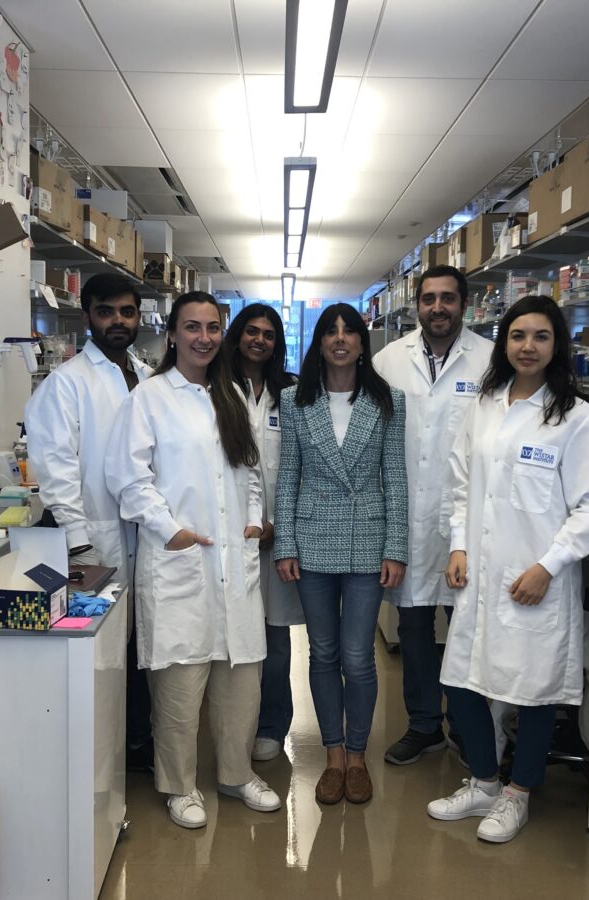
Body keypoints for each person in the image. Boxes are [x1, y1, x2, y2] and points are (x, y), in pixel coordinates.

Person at [427, 295, 589, 843]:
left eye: (540, 336)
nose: (527, 346)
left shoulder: (576, 418)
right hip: (479, 572)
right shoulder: (485, 403)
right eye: (517, 336)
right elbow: (462, 484)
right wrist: (459, 547)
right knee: (462, 679)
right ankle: (484, 781)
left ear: (556, 345)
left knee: (535, 690)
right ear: (503, 343)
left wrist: (549, 565)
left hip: (533, 578)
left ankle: (518, 794)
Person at [104, 291, 279, 830]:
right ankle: (179, 785)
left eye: (211, 327)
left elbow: (250, 472)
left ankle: (234, 773)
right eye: (192, 327)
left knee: (240, 680)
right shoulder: (149, 399)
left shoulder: (230, 395)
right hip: (181, 558)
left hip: (235, 561)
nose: (203, 337)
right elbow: (128, 480)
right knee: (179, 686)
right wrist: (171, 531)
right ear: (173, 334)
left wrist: (254, 520)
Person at [274, 303, 409, 806]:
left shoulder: (387, 400)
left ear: (360, 341)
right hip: (311, 541)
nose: (339, 339)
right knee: (323, 654)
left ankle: (357, 755)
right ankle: (332, 756)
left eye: (348, 331)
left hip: (367, 542)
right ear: (319, 342)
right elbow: (289, 476)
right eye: (330, 331)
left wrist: (396, 547)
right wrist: (285, 542)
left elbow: (394, 478)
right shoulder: (295, 400)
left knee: (359, 658)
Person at [23, 272, 154, 771]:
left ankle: (138, 745)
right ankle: (101, 767)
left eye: (126, 312)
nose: (118, 322)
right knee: (101, 655)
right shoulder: (67, 383)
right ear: (88, 317)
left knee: (141, 649)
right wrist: (80, 545)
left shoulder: (143, 374)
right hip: (94, 541)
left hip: (144, 537)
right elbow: (57, 471)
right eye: (106, 312)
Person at [372, 265, 493, 766]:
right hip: (409, 517)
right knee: (414, 626)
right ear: (416, 305)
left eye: (447, 298)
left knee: (466, 627)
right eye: (428, 299)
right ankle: (424, 724)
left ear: (464, 304)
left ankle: (470, 729)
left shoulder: (490, 359)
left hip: (471, 518)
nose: (437, 307)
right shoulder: (386, 361)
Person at [224, 306, 303, 763]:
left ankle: (273, 725)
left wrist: (281, 527)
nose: (259, 340)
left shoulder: (290, 393)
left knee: (275, 638)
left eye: (269, 335)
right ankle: (234, 725)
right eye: (251, 332)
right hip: (228, 532)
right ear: (237, 337)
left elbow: (303, 465)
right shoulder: (215, 390)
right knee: (231, 635)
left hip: (278, 534)